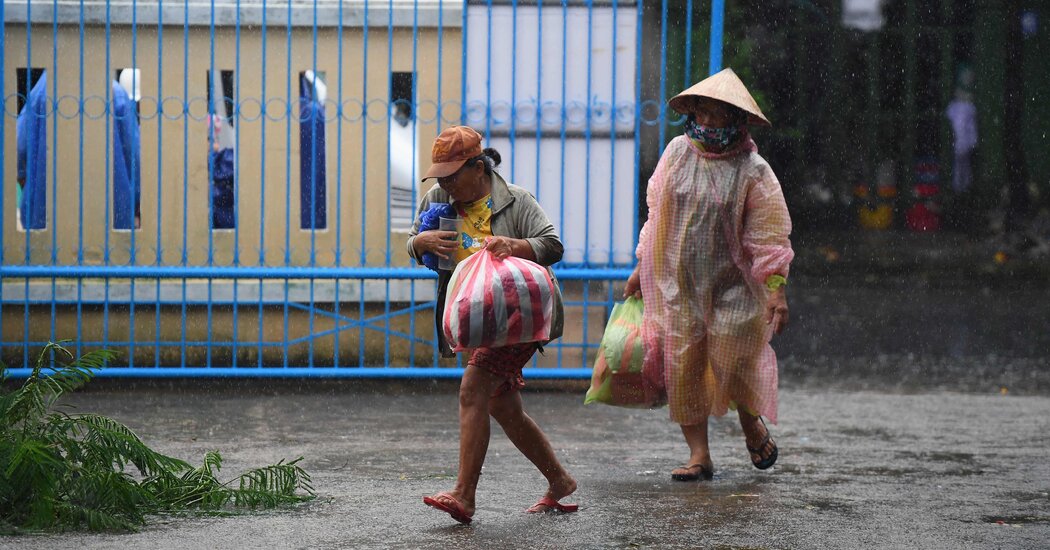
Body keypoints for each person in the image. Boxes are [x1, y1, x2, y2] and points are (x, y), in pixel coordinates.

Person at [623, 68, 793, 481]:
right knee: (683, 367)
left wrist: (775, 288)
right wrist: (640, 264)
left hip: (735, 285)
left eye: (722, 113)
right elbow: (657, 215)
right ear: (694, 111)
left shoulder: (754, 170)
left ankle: (751, 422)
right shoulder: (676, 154)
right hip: (677, 283)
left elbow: (769, 232)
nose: (712, 121)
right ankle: (699, 455)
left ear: (739, 120)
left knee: (731, 358)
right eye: (706, 111)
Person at [406, 125, 577, 524]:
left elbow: (552, 244)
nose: (445, 184)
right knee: (502, 405)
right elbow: (413, 240)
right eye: (440, 176)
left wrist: (515, 246)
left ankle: (464, 495)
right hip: (473, 320)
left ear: (478, 167)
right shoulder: (437, 198)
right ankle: (561, 481)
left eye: (453, 175)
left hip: (518, 316)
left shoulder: (516, 200)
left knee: (473, 388)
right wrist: (422, 243)